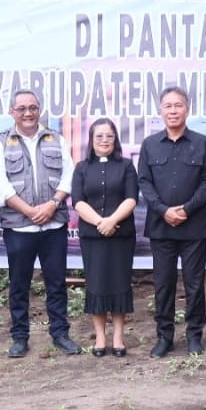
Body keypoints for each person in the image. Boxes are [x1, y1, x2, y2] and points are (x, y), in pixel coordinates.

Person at [0, 88, 79, 357]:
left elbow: (69, 175)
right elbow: (0, 185)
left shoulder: (56, 139)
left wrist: (53, 204)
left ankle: (60, 334)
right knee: (19, 284)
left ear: (39, 109)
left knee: (56, 282)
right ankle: (19, 337)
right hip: (19, 226)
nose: (27, 113)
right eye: (21, 109)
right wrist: (30, 211)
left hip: (53, 225)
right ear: (12, 112)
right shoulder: (0, 142)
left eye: (32, 107)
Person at [136, 86, 206, 358]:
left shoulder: (201, 142)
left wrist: (186, 209)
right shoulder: (150, 145)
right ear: (161, 110)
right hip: (161, 226)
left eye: (178, 105)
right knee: (164, 283)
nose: (173, 110)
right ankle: (164, 337)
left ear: (187, 109)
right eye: (168, 106)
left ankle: (194, 336)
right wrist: (163, 210)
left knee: (195, 284)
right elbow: (144, 183)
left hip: (193, 226)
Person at [71, 118, 139, 356]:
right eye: (99, 136)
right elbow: (77, 201)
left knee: (119, 285)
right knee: (97, 285)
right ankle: (100, 337)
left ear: (115, 139)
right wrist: (100, 222)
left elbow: (131, 198)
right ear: (91, 139)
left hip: (121, 236)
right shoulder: (81, 168)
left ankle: (119, 338)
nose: (104, 140)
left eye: (109, 136)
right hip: (93, 236)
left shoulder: (126, 166)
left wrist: (112, 221)